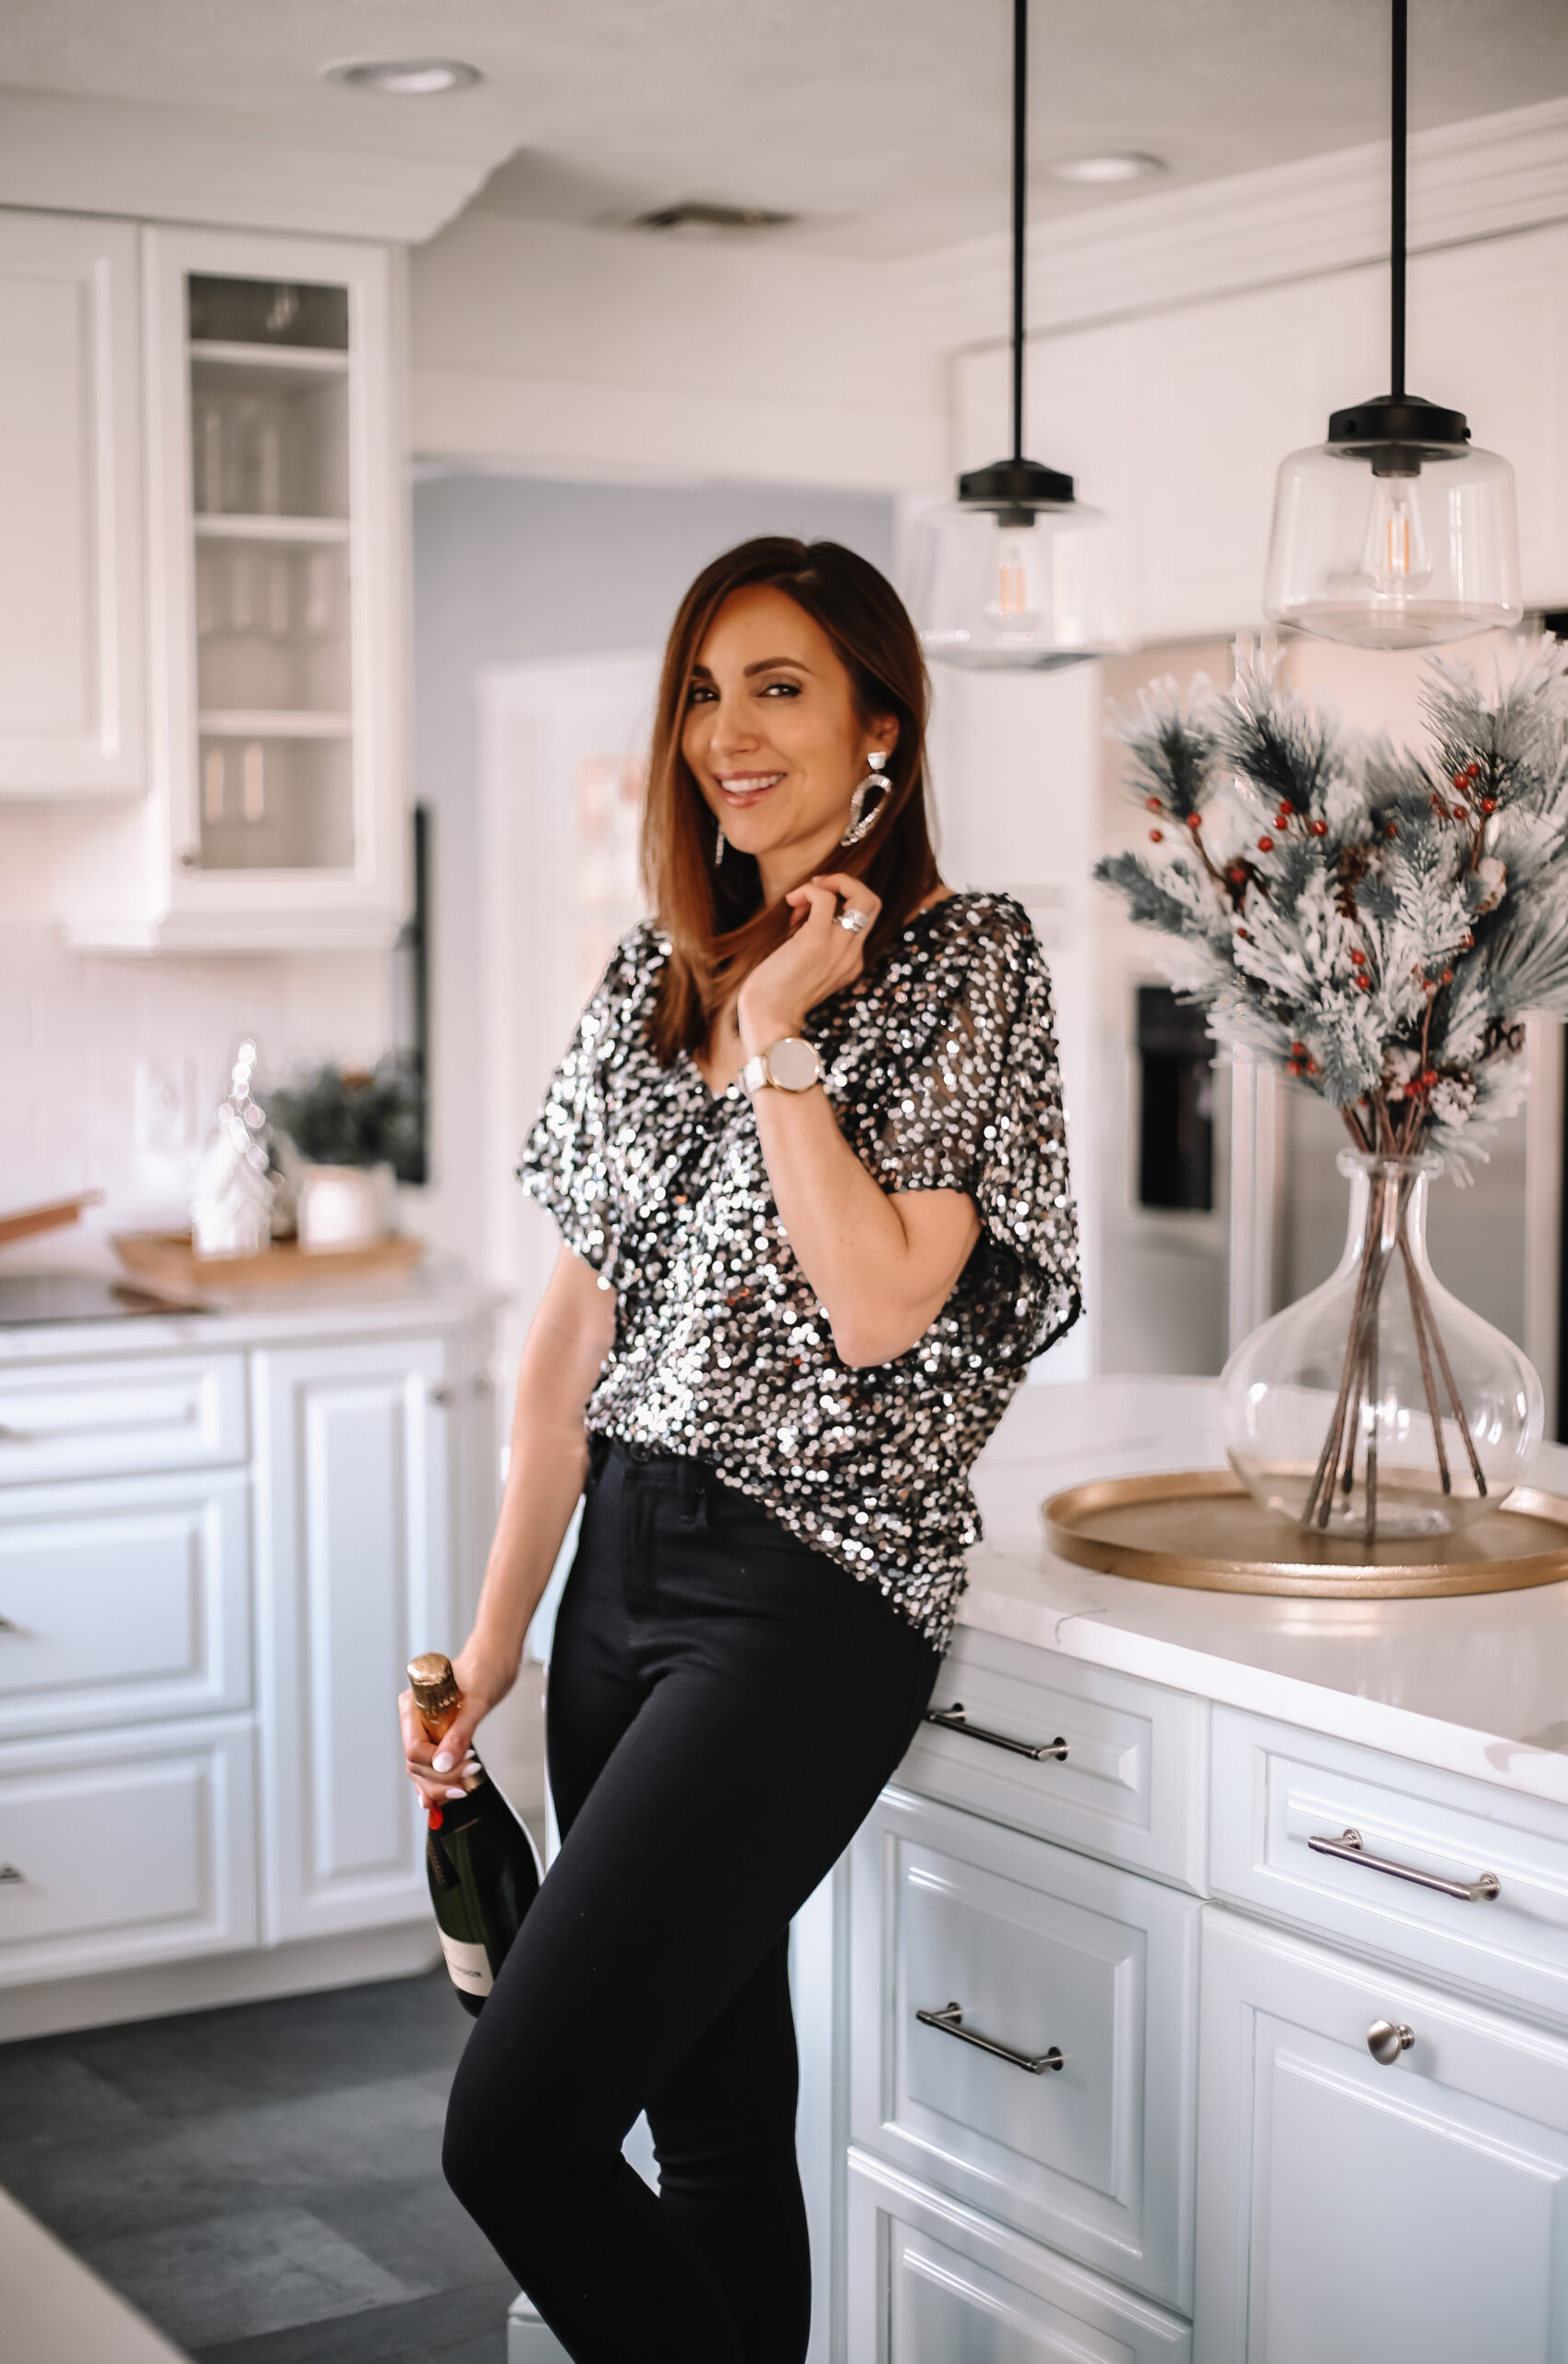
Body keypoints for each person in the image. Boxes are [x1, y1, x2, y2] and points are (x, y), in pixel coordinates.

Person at [398, 535, 1081, 2362]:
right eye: (702, 691)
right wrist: (488, 1644)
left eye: (775, 686)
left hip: (803, 1596)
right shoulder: (647, 979)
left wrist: (783, 1039)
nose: (725, 731)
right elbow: (564, 1348)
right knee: (706, 2124)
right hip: (620, 1571)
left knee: (513, 2127)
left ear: (878, 724)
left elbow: (875, 1305)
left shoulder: (961, 963)